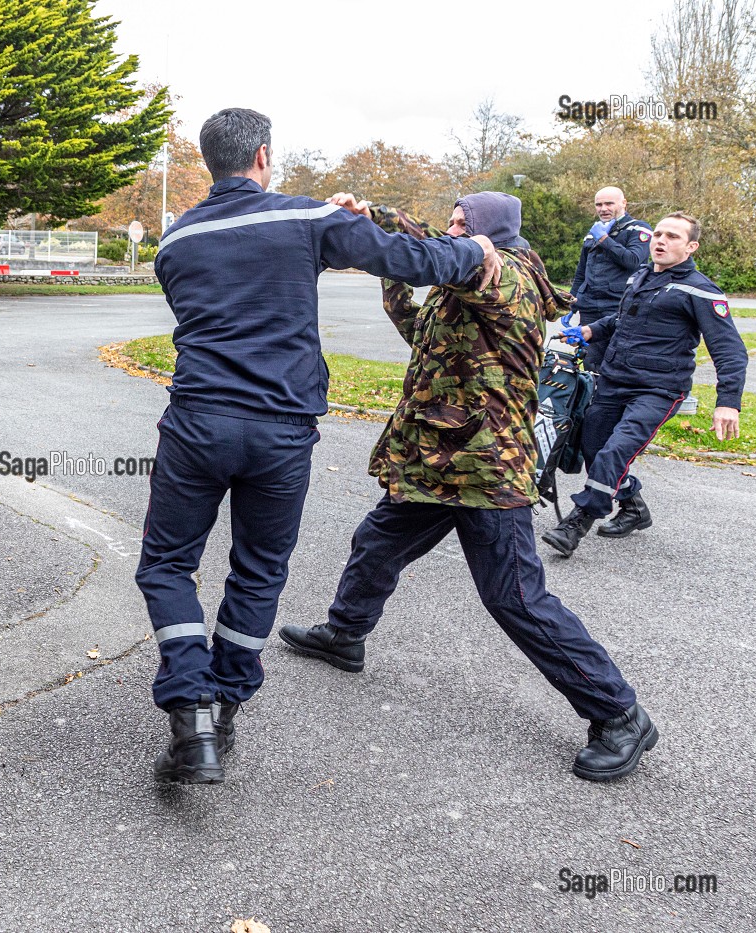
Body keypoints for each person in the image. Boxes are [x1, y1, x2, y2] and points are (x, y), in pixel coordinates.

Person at [138, 108, 503, 785]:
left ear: (211, 161)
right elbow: (403, 257)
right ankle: (226, 702)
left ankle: (190, 716)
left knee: (165, 565)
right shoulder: (303, 219)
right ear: (263, 157)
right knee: (258, 567)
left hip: (197, 423)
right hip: (281, 431)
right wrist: (472, 252)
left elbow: (228, 287)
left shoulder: (173, 241)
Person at [279, 191, 659, 783]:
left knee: (515, 596)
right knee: (376, 541)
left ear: (493, 232)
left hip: (486, 467)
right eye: (453, 223)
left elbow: (437, 250)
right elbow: (423, 333)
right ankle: (344, 634)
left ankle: (619, 714)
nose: (455, 232)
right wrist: (389, 272)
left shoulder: (503, 274)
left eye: (464, 224)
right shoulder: (464, 285)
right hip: (438, 465)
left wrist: (376, 217)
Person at [543, 212, 747, 556]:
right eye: (658, 234)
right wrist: (592, 330)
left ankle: (578, 522)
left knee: (615, 451)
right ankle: (634, 506)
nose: (661, 241)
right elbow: (623, 319)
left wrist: (728, 401)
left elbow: (729, 349)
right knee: (593, 447)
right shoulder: (640, 275)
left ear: (691, 246)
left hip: (659, 390)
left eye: (672, 237)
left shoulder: (699, 289)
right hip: (615, 380)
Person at [569, 186, 652, 373]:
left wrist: (604, 239)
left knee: (617, 361)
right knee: (591, 364)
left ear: (623, 203)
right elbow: (581, 273)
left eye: (609, 203)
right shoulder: (593, 232)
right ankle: (592, 401)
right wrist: (572, 302)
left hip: (619, 306)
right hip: (589, 307)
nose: (603, 209)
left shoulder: (638, 228)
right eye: (598, 204)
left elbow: (633, 260)